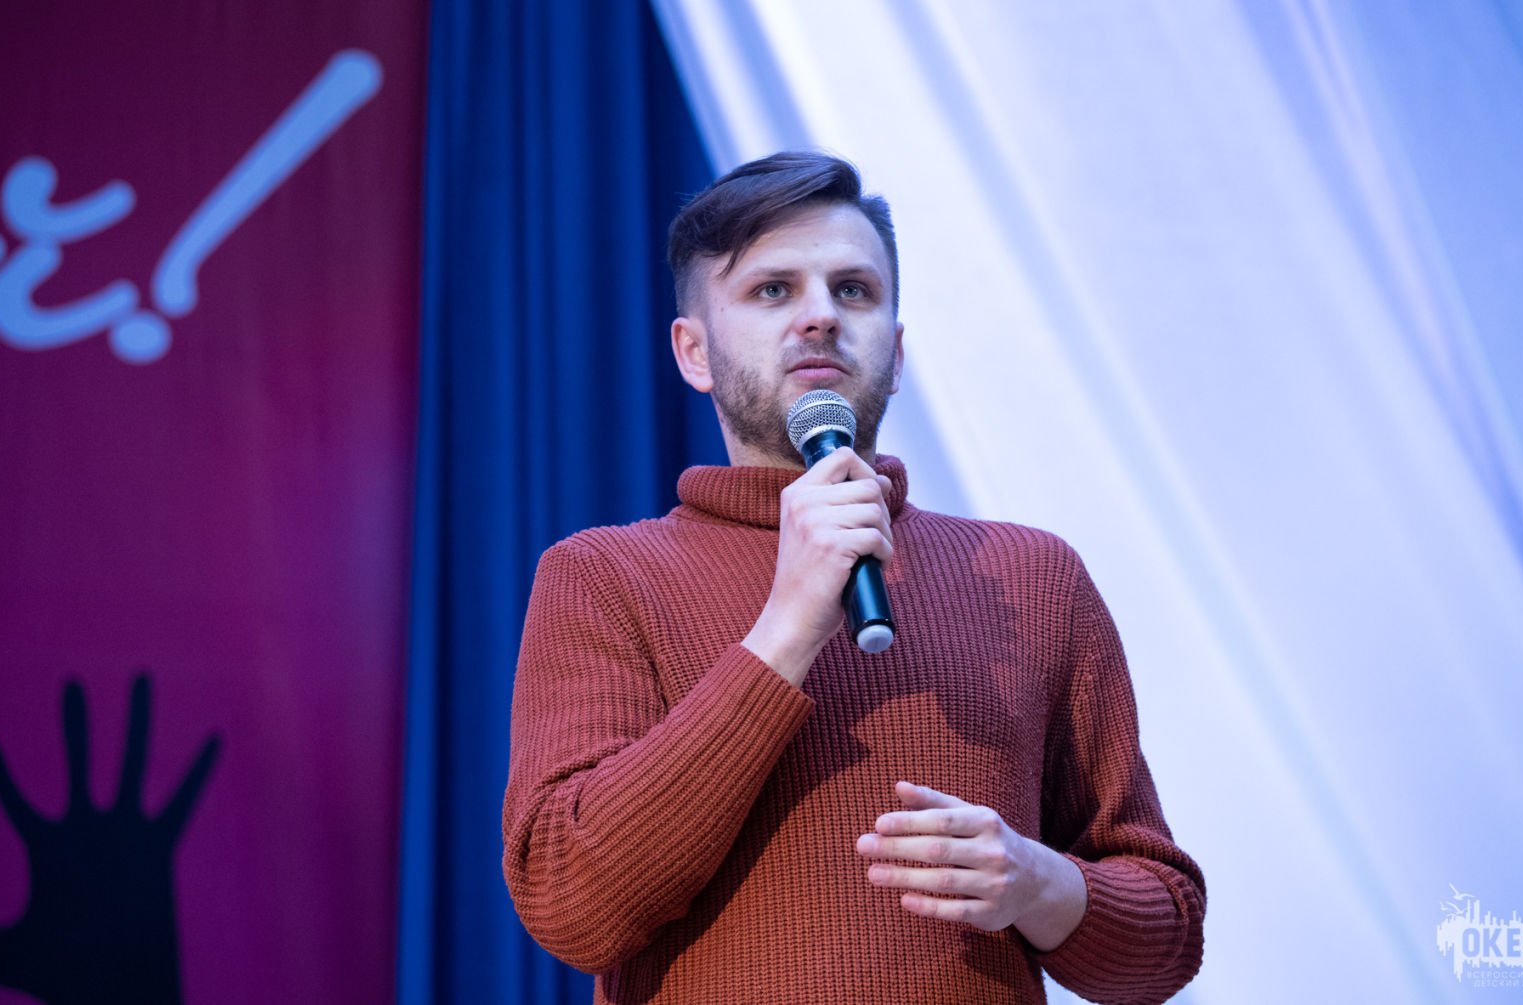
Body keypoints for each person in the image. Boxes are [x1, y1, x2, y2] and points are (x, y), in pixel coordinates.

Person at [502, 152, 1206, 1004]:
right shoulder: (602, 577)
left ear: (896, 352)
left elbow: (1166, 940)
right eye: (773, 290)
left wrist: (1038, 882)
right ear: (693, 351)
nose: (820, 317)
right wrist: (785, 630)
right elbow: (572, 906)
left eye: (854, 290)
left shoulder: (1033, 576)